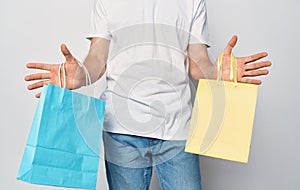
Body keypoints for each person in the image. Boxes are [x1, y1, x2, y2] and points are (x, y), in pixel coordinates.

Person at [24, 0, 271, 189]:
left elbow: (198, 65)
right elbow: (97, 59)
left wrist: (218, 73)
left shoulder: (192, 1)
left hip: (177, 127)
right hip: (120, 128)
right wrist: (79, 76)